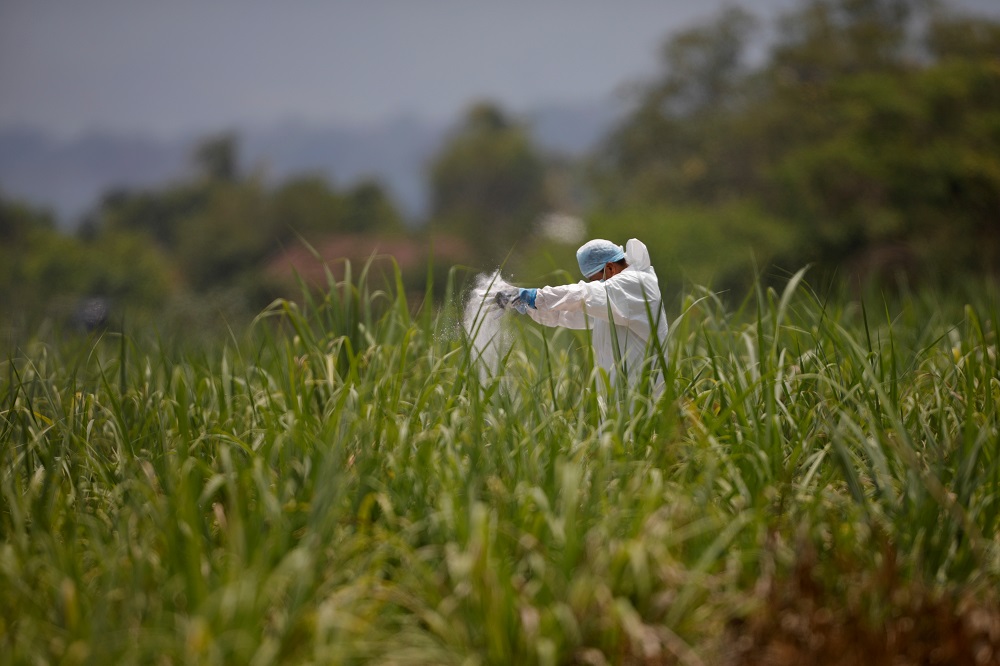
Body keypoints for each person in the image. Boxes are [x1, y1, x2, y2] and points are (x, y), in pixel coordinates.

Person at [495, 238, 669, 400]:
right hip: (620, 397)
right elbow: (569, 313)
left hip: (642, 396)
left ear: (610, 268)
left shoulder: (636, 284)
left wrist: (536, 296)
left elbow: (584, 294)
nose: (596, 285)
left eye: (595, 280)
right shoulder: (612, 300)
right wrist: (528, 305)